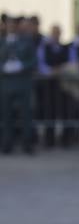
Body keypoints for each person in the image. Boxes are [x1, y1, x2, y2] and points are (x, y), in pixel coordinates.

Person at [0, 16, 38, 155]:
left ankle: (27, 143)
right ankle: (7, 143)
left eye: (13, 24)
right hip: (6, 84)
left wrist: (22, 65)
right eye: (8, 24)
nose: (11, 27)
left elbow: (34, 61)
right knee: (6, 115)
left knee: (26, 115)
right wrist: (3, 68)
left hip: (23, 83)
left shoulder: (26, 41)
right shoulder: (2, 41)